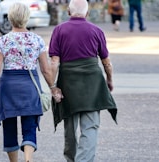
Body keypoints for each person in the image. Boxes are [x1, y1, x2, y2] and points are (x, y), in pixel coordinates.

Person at [0, 3, 61, 162]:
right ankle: (28, 159)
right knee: (29, 128)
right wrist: (53, 88)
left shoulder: (3, 40)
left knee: (9, 128)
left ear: (10, 18)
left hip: (8, 89)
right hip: (29, 88)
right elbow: (45, 69)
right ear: (27, 18)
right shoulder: (37, 40)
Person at [48, 0, 118, 161]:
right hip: (92, 83)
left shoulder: (59, 30)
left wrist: (53, 87)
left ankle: (72, 159)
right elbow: (106, 62)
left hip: (68, 83)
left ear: (68, 12)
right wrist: (109, 80)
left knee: (70, 128)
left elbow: (54, 63)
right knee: (91, 126)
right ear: (87, 13)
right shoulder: (96, 31)